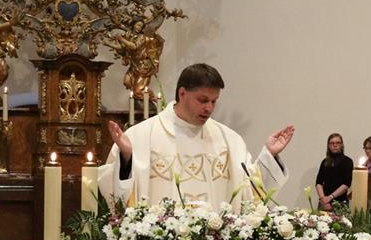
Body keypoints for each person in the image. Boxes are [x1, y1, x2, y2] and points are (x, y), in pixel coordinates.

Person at [98, 63, 294, 209]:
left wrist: (269, 156)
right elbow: (117, 198)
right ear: (182, 94)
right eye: (203, 100)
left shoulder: (229, 140)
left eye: (214, 101)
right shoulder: (140, 136)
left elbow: (251, 193)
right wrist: (126, 158)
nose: (209, 108)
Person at [315, 133, 353, 210]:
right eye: (332, 143)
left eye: (338, 143)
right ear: (328, 146)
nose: (335, 145)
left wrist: (330, 197)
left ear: (342, 145)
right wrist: (323, 199)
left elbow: (346, 184)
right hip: (324, 202)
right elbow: (318, 182)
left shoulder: (347, 161)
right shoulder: (325, 162)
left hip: (340, 203)